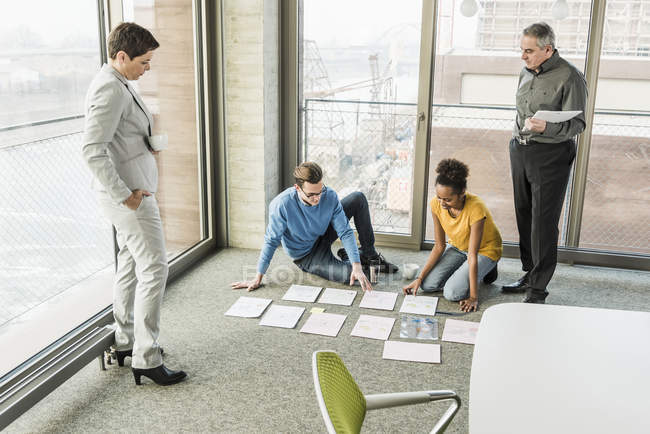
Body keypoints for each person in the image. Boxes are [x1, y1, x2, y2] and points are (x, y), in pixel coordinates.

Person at [82, 22, 186, 386]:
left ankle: (126, 340)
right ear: (121, 56)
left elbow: (120, 138)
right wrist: (125, 194)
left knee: (129, 262)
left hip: (133, 192)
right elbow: (92, 151)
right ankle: (147, 356)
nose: (148, 68)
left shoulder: (120, 82)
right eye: (144, 62)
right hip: (130, 198)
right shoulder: (110, 90)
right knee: (156, 268)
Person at [502, 22, 587, 304]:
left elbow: (578, 124)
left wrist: (545, 129)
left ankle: (538, 289)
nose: (523, 56)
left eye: (528, 51)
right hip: (520, 150)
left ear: (547, 49)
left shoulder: (571, 76)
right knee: (524, 214)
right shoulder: (525, 73)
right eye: (522, 50)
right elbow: (519, 112)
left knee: (543, 222)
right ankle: (529, 273)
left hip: (551, 155)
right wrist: (516, 139)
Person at [231, 162, 398, 293]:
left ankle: (368, 254)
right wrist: (258, 277)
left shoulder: (329, 195)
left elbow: (345, 231)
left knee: (358, 198)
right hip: (307, 256)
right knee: (368, 277)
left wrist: (356, 265)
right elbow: (271, 241)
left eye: (320, 191)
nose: (317, 198)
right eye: (311, 194)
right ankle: (351, 256)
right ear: (297, 188)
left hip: (323, 232)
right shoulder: (281, 205)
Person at [403, 159, 502, 313]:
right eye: (439, 197)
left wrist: (474, 297)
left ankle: (490, 267)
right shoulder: (436, 204)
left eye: (448, 199)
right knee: (427, 285)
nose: (442, 203)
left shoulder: (476, 208)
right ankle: (469, 272)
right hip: (458, 247)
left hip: (483, 250)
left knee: (452, 293)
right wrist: (419, 278)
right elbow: (439, 246)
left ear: (462, 193)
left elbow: (472, 255)